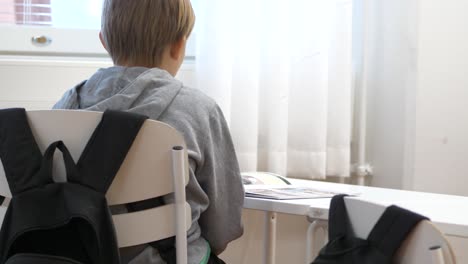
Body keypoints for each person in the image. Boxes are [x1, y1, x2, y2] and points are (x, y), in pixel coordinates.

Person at [53, 0, 244, 263]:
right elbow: (224, 226)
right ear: (179, 45)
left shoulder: (65, 107)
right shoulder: (199, 110)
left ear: (104, 41)